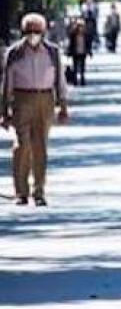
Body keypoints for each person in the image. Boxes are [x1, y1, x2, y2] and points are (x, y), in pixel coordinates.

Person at [2, 14, 71, 206]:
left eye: (37, 31)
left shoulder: (52, 52)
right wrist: (4, 110)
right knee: (22, 145)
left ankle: (39, 191)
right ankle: (21, 192)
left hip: (45, 98)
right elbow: (7, 82)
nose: (33, 35)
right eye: (30, 31)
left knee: (40, 145)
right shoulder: (14, 53)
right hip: (22, 99)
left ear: (43, 32)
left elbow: (60, 80)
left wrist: (63, 105)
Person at [65, 19, 91, 86]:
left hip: (83, 52)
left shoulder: (86, 34)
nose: (81, 28)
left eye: (82, 26)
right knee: (75, 67)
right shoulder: (73, 34)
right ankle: (75, 81)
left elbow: (88, 44)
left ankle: (82, 80)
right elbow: (70, 44)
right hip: (75, 52)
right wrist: (68, 52)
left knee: (82, 67)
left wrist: (89, 52)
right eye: (79, 26)